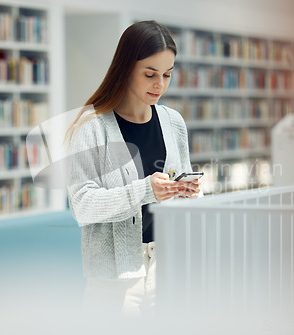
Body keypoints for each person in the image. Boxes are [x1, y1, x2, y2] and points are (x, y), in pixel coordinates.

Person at [64, 20, 202, 316]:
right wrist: (144, 190)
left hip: (167, 270)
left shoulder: (173, 122)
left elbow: (179, 193)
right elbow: (82, 206)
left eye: (167, 74)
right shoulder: (91, 128)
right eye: (150, 74)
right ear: (126, 67)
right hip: (114, 282)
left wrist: (188, 193)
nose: (160, 85)